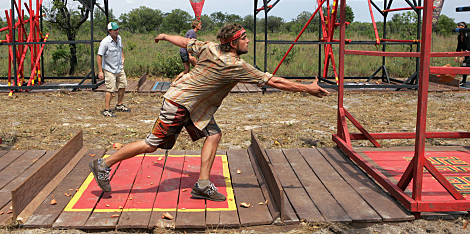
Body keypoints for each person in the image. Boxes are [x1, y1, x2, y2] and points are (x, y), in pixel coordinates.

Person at [89, 23, 329, 201]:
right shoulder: (235, 65)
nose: (248, 41)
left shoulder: (209, 48)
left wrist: (163, 36)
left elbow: (184, 42)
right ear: (233, 43)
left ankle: (202, 185)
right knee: (152, 144)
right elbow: (274, 82)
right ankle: (103, 164)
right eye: (244, 38)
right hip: (179, 104)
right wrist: (307, 88)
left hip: (195, 108)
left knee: (213, 134)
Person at [97, 22, 131, 117]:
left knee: (123, 85)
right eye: (114, 30)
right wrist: (100, 71)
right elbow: (99, 56)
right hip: (109, 69)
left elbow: (121, 49)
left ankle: (119, 105)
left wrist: (123, 59)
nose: (117, 31)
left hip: (119, 68)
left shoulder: (119, 39)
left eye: (117, 29)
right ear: (109, 31)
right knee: (110, 89)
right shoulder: (105, 42)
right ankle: (107, 110)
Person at [455, 21, 470, 86]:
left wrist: (463, 56)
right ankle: (463, 81)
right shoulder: (460, 36)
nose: (457, 27)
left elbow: (468, 46)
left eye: (459, 26)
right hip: (466, 53)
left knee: (465, 65)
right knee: (464, 66)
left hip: (468, 52)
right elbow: (459, 46)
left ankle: (464, 81)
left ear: (463, 27)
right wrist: (456, 55)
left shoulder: (468, 35)